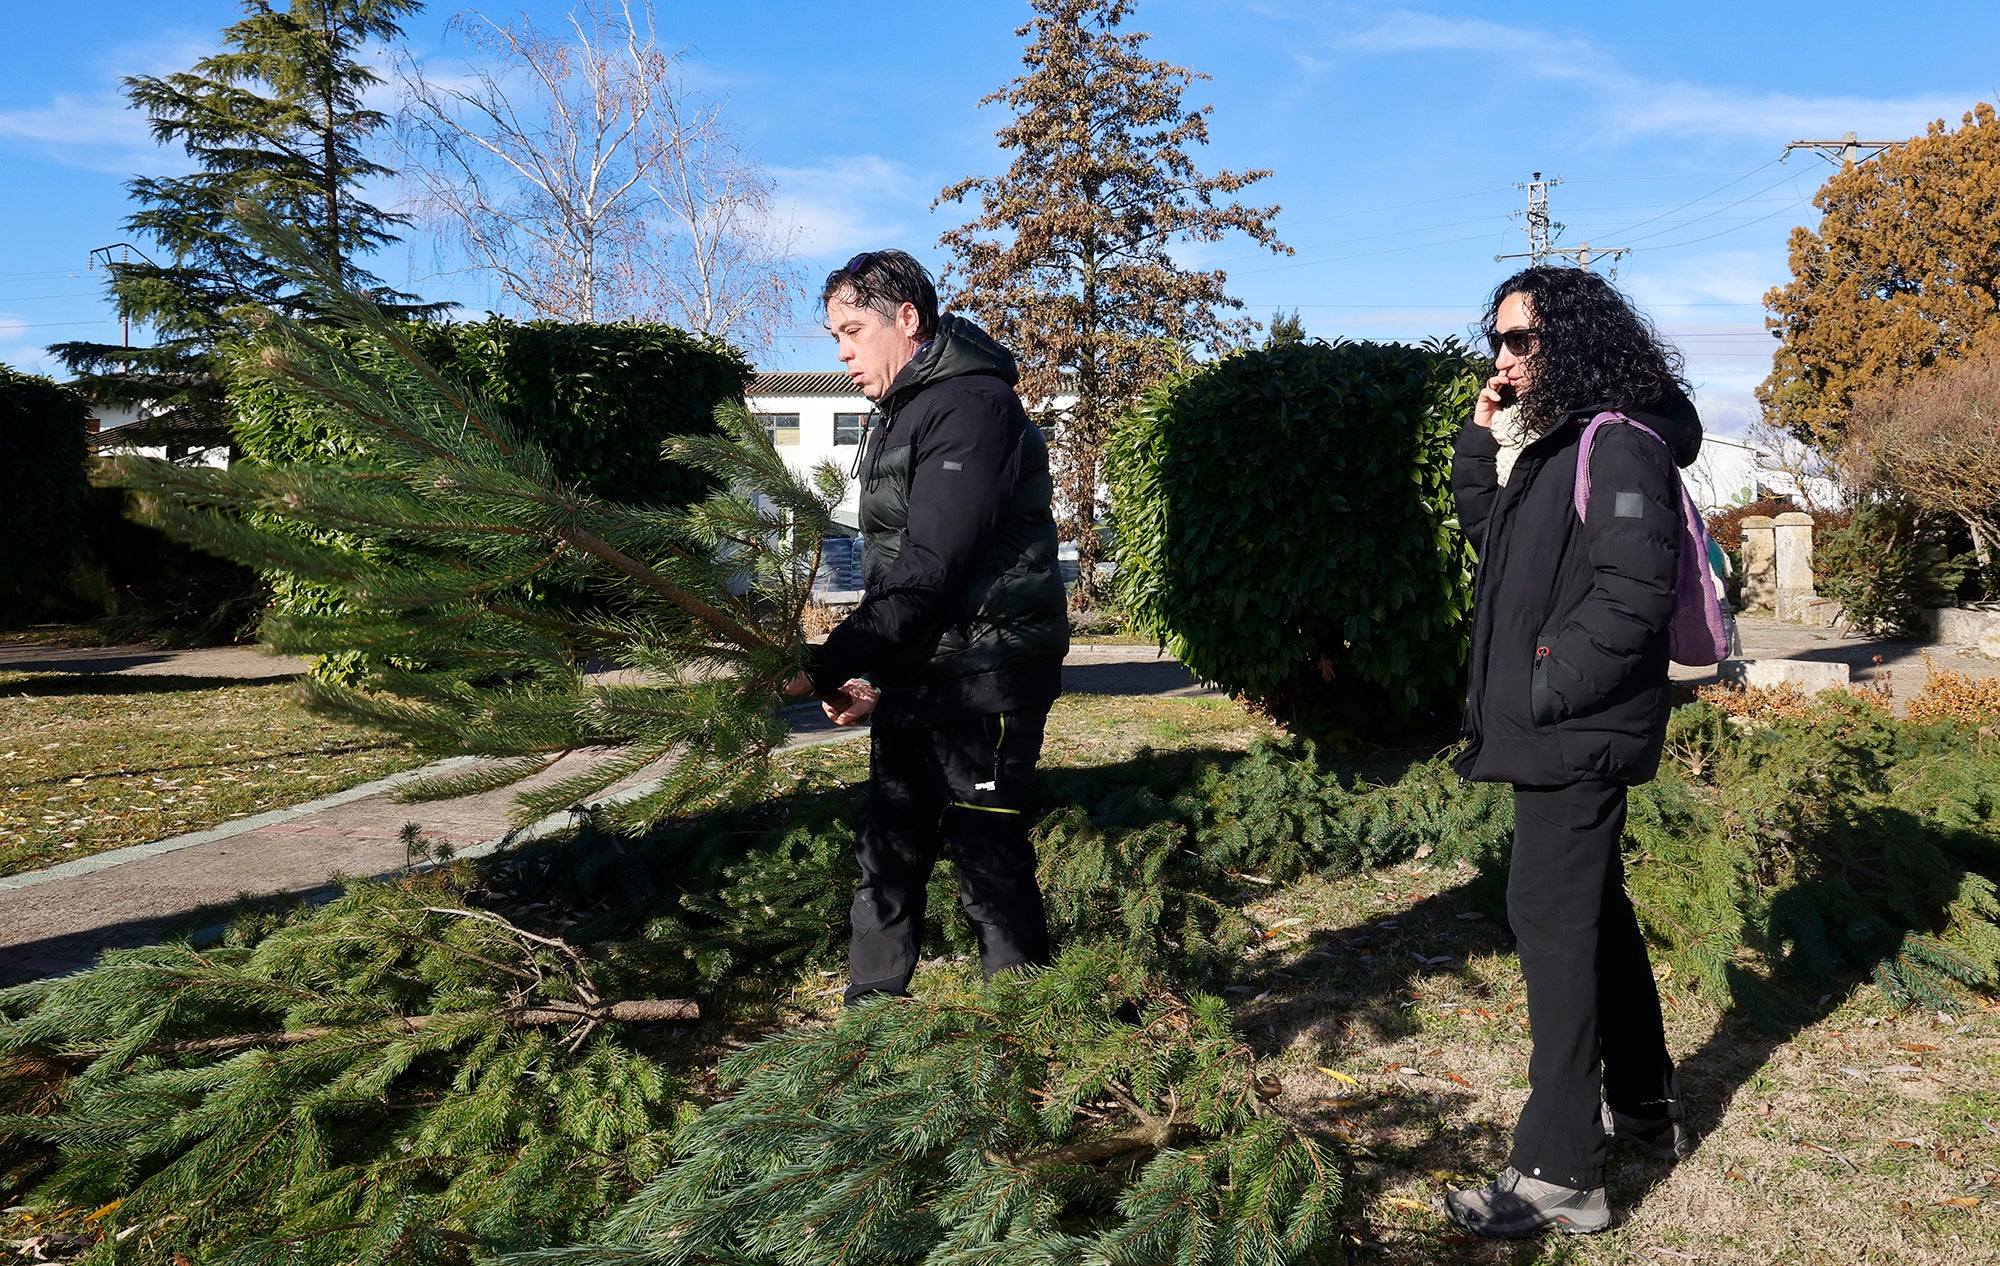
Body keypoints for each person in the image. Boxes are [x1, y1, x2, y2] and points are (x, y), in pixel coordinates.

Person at [1442, 266, 1699, 1238]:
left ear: (1576, 340)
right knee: (1589, 911)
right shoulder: (1554, 446)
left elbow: (1632, 597)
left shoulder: (1617, 443)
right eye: (1496, 342)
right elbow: (1488, 538)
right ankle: (1642, 1107)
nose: (1503, 359)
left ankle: (1558, 1172)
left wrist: (1544, 685)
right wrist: (1478, 433)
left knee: (1549, 928)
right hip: (1561, 725)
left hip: (1574, 728)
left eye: (1521, 341)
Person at [782, 250, 1069, 1005]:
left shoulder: (974, 406)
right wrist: (874, 674)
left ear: (907, 319)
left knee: (988, 861)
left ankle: (1025, 1031)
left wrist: (823, 663)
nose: (841, 353)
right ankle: (868, 1033)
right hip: (925, 675)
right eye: (834, 336)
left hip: (984, 679)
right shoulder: (901, 412)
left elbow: (932, 567)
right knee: (887, 854)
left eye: (852, 331)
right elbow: (901, 574)